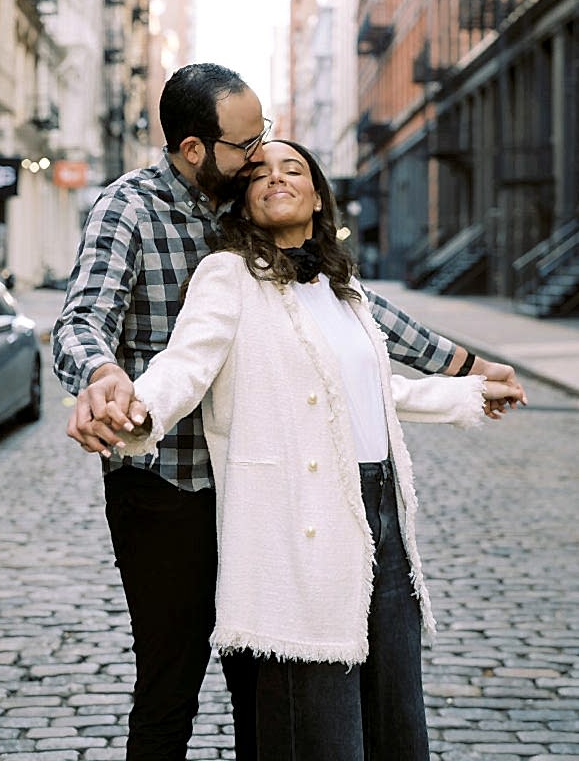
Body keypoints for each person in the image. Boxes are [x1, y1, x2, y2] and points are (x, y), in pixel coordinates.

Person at [52, 62, 526, 761]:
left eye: (269, 144)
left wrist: (463, 370)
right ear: (194, 150)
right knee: (169, 680)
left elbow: (358, 326)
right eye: (248, 147)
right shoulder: (132, 208)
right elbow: (87, 322)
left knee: (269, 681)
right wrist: (106, 379)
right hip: (169, 484)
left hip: (264, 490)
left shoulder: (250, 209)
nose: (261, 162)